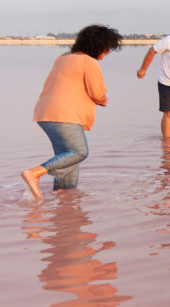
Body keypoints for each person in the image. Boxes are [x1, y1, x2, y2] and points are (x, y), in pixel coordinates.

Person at [21, 25, 123, 199]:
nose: (108, 52)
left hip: (45, 113)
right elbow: (97, 94)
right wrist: (104, 100)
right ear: (98, 46)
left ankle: (63, 195)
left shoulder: (63, 58)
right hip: (64, 114)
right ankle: (34, 173)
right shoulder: (89, 62)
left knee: (67, 159)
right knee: (79, 152)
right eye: (107, 48)